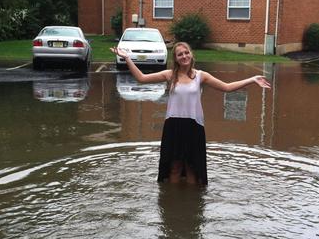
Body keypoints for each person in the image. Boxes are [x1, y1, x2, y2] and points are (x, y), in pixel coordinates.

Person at [111, 41, 271, 184]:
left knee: (191, 168)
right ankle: (172, 207)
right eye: (180, 54)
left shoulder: (201, 76)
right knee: (174, 168)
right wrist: (127, 58)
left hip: (194, 126)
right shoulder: (170, 75)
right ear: (176, 58)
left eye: (186, 52)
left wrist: (252, 79)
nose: (184, 56)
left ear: (191, 54)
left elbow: (227, 87)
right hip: (173, 126)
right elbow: (141, 78)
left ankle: (191, 209)